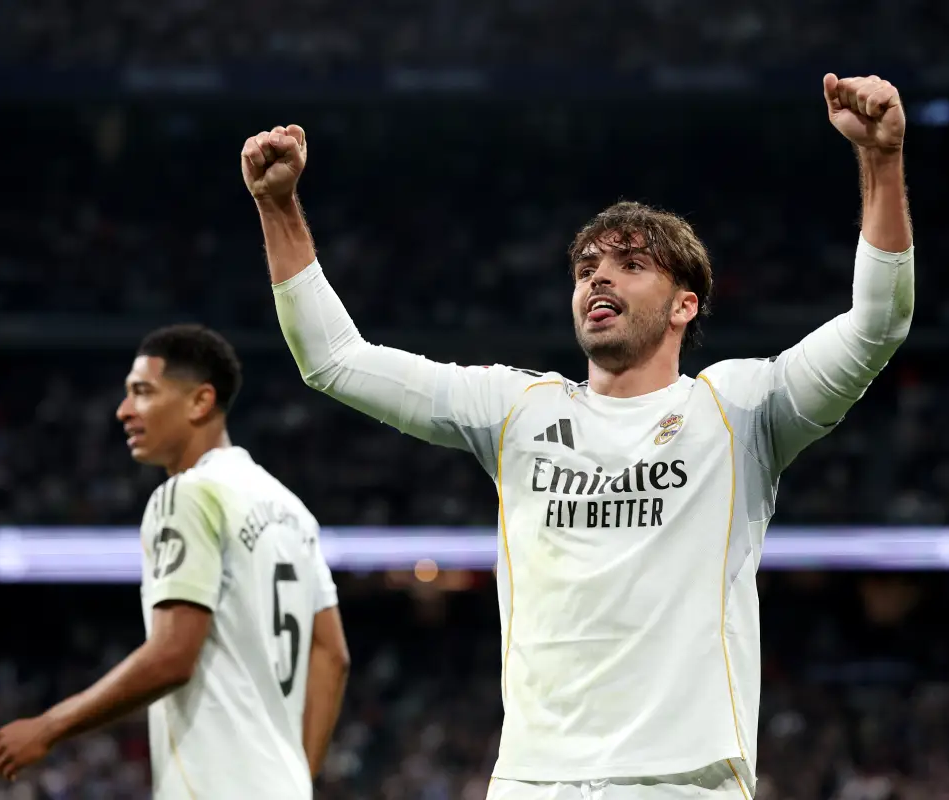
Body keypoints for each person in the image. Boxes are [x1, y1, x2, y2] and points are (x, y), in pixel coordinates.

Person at [244, 72, 914, 799]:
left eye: (631, 266)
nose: (599, 280)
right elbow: (334, 360)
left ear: (685, 305)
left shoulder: (739, 410)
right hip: (534, 780)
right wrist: (278, 207)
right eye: (586, 268)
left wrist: (880, 162)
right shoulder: (515, 409)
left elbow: (876, 325)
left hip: (682, 780)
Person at [0, 324, 350, 798]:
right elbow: (333, 655)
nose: (124, 410)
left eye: (142, 392)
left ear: (200, 402)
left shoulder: (189, 494)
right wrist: (298, 777)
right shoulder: (291, 509)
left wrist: (48, 726)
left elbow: (173, 656)